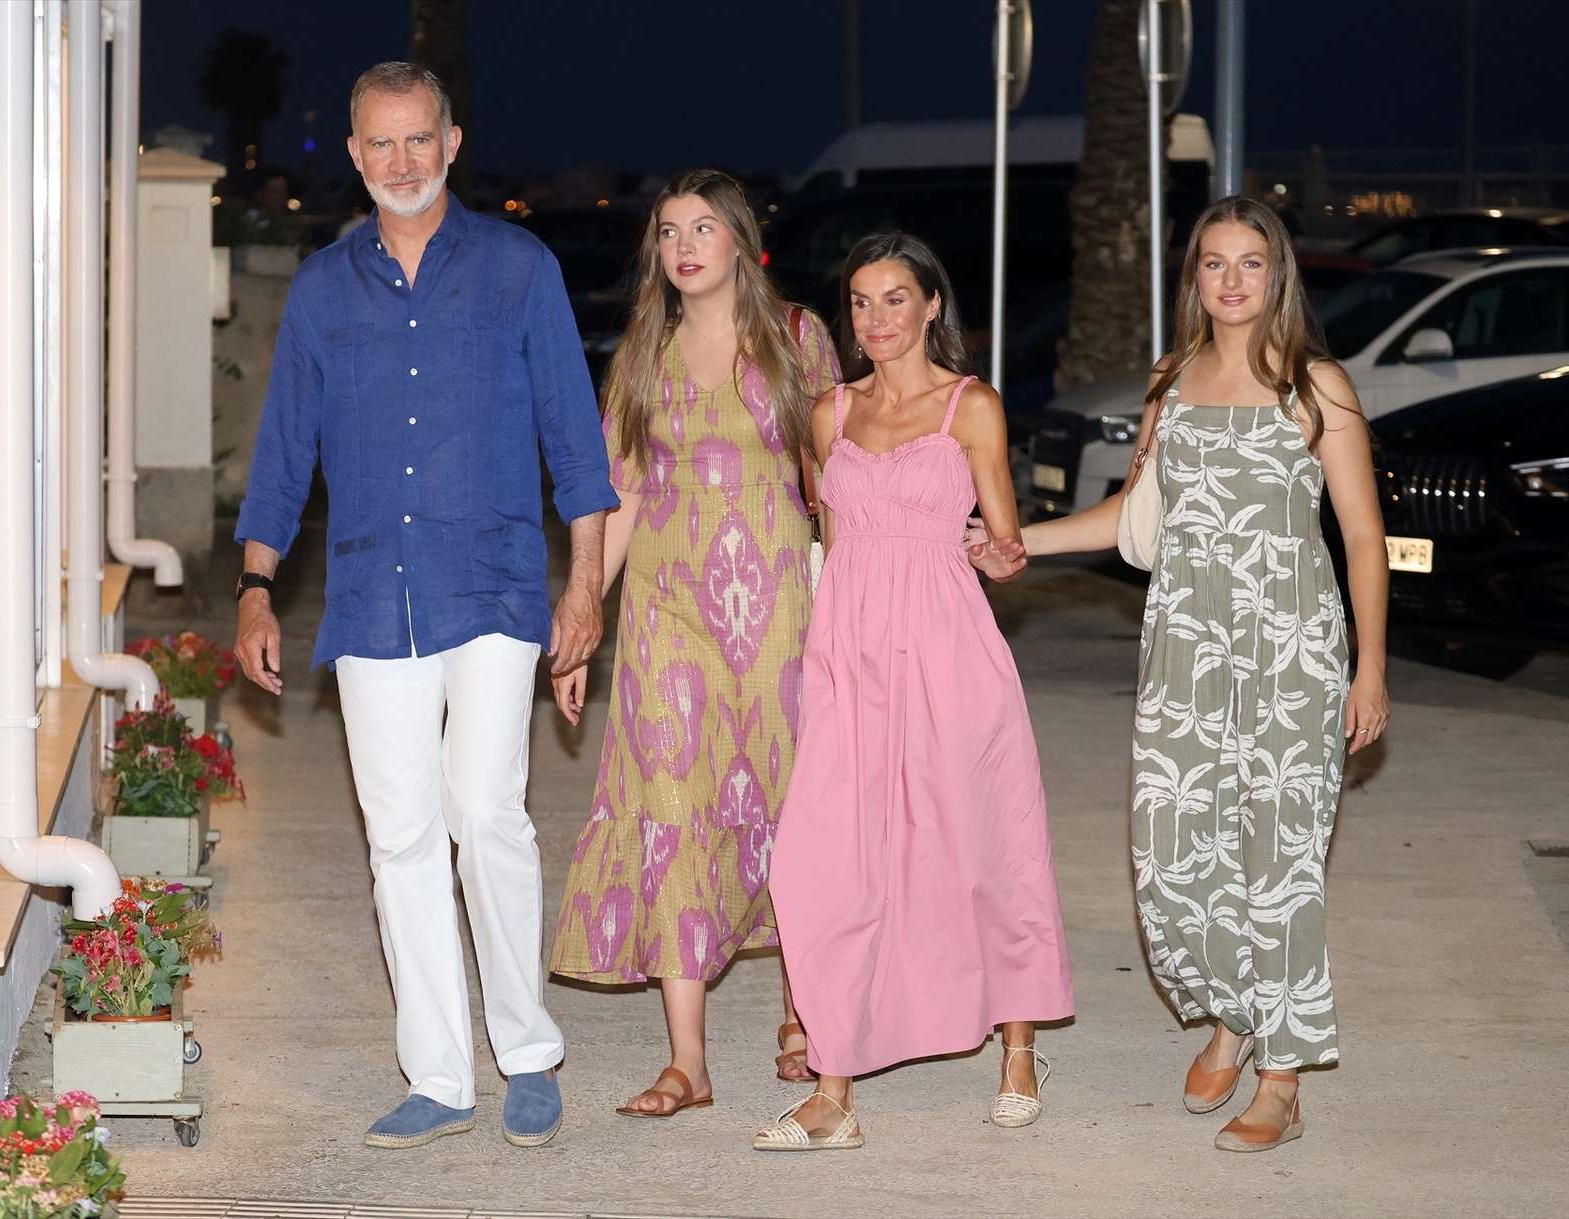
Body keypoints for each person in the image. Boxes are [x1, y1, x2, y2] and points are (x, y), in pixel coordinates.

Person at [232, 62, 617, 1151]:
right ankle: (440, 1073)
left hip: (492, 583)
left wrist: (584, 585)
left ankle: (528, 1051)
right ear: (354, 156)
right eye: (379, 145)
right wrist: (257, 587)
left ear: (452, 142)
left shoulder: (518, 268)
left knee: (486, 813)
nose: (400, 162)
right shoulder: (321, 288)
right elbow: (281, 459)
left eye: (419, 141)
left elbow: (575, 449)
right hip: (366, 592)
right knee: (399, 837)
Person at [972, 194, 1390, 1153]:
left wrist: (1370, 670)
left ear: (1277, 273)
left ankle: (1281, 1074)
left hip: (1293, 647)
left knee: (1280, 863)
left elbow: (1364, 537)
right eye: (1214, 263)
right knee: (1173, 855)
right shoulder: (1170, 380)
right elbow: (1133, 523)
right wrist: (1013, 543)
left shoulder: (1317, 385)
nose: (1233, 280)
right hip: (1187, 644)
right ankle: (1234, 1009)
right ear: (1193, 276)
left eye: (1251, 262)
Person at [758, 233, 1074, 1152]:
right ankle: (834, 1085)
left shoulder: (971, 408)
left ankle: (1017, 1048)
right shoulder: (827, 412)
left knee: (980, 844)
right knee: (830, 858)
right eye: (860, 302)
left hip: (948, 651)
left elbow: (1003, 544)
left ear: (933, 305)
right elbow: (834, 538)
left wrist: (1000, 552)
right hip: (850, 653)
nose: (876, 319)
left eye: (895, 299)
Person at [547, 168, 840, 1117]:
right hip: (669, 613)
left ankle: (807, 1010)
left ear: (740, 240)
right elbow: (620, 490)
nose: (684, 245)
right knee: (669, 801)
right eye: (669, 230)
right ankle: (688, 1062)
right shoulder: (643, 352)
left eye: (703, 227)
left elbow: (833, 479)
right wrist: (585, 611)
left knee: (793, 806)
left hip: (782, 614)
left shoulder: (797, 341)